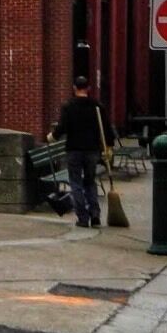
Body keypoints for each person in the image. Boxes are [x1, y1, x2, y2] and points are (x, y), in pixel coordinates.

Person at [49, 76, 115, 228]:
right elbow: (106, 128)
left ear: (74, 88)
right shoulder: (97, 106)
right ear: (89, 88)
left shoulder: (69, 106)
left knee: (76, 183)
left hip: (74, 149)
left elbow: (63, 126)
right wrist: (109, 147)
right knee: (90, 181)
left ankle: (83, 218)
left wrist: (53, 136)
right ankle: (95, 214)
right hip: (92, 150)